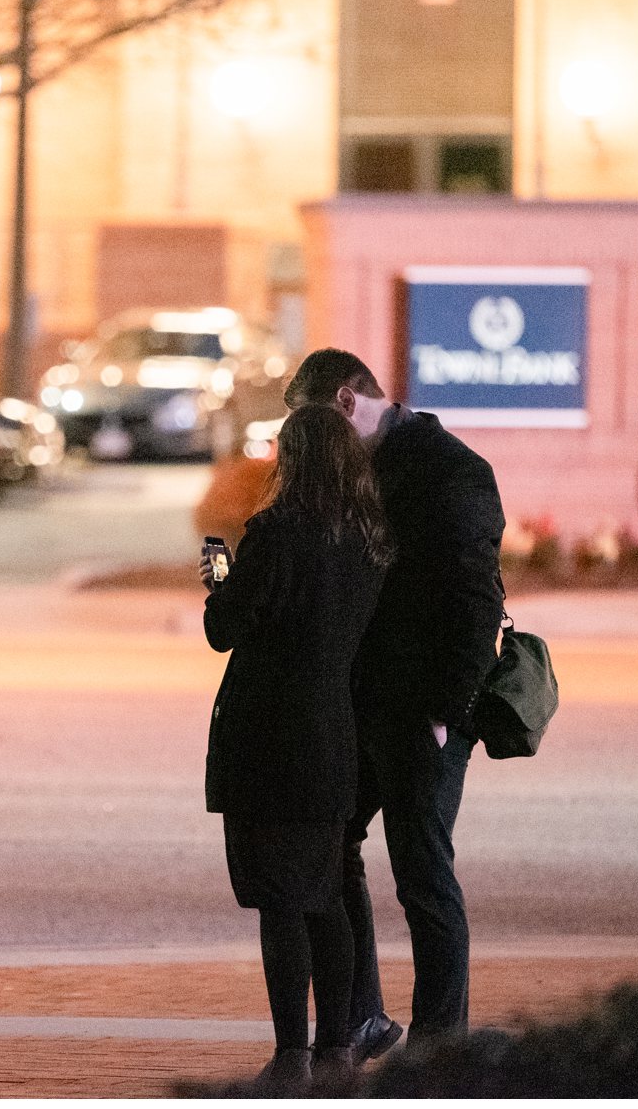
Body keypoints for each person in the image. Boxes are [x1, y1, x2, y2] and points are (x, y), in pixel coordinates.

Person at [283, 348, 506, 1052]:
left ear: (348, 402)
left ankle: (442, 1050)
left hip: (424, 712)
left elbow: (477, 605)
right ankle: (361, 1016)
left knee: (421, 874)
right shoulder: (359, 470)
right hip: (364, 702)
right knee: (332, 843)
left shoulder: (451, 471)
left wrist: (443, 714)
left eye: (318, 423)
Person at [200, 405, 396, 1092]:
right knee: (326, 896)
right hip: (333, 731)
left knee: (280, 901)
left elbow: (227, 628)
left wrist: (219, 581)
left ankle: (290, 1054)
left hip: (270, 735)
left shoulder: (277, 536)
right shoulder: (369, 540)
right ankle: (337, 1045)